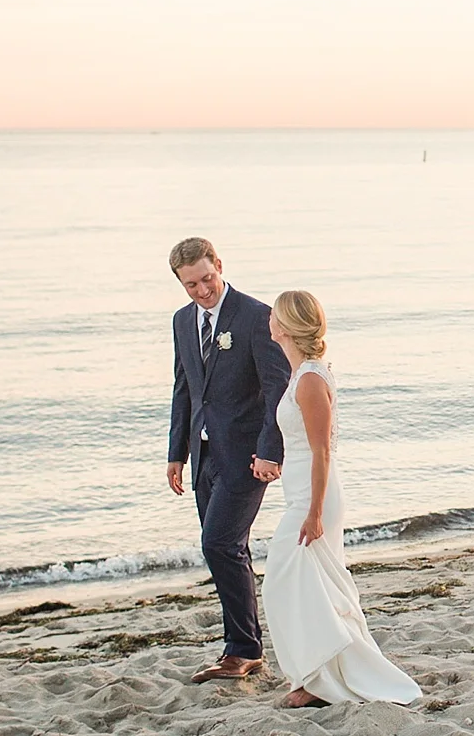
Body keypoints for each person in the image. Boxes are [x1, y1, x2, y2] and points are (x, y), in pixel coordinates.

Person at [261, 290, 422, 707]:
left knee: (285, 580)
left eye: (274, 315)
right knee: (308, 587)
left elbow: (322, 451)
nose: (269, 321)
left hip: (314, 497)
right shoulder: (301, 373)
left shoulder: (312, 379)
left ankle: (317, 680)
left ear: (287, 326)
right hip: (301, 491)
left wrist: (314, 512)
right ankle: (312, 678)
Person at [165, 237, 290, 683]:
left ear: (219, 264)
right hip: (202, 456)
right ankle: (244, 647)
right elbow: (184, 387)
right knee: (228, 549)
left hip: (245, 457)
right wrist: (176, 452)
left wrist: (270, 451)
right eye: (191, 285)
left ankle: (242, 648)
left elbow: (278, 388)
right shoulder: (182, 322)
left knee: (218, 544)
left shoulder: (257, 317)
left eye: (206, 279)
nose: (201, 291)